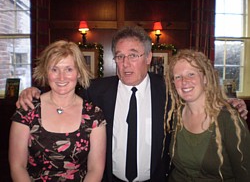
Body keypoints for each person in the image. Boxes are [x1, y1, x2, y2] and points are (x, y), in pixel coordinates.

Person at [16, 26, 248, 182]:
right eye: (119, 56)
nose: (125, 63)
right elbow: (62, 90)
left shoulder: (169, 89)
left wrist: (230, 103)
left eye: (133, 55)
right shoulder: (96, 91)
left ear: (148, 58)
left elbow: (196, 93)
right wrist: (34, 92)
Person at [9, 40, 107, 182]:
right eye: (54, 69)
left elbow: (95, 169)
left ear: (78, 72)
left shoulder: (93, 115)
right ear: (46, 72)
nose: (61, 77)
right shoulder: (27, 111)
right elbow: (18, 166)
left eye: (68, 69)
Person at [164, 49, 250, 181]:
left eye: (191, 74)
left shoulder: (229, 120)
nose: (184, 81)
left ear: (205, 78)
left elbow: (244, 174)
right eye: (178, 77)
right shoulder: (175, 116)